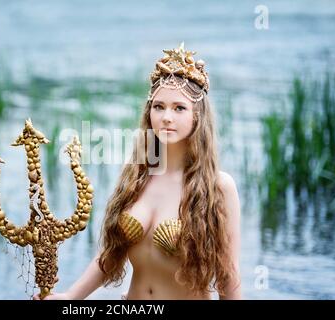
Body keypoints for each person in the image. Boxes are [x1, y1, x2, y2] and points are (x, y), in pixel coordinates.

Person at [33, 43, 241, 300]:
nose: (166, 117)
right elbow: (110, 254)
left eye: (179, 108)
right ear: (149, 111)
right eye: (159, 106)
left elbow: (228, 275)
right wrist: (71, 297)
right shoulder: (138, 175)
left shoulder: (218, 186)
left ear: (197, 116)